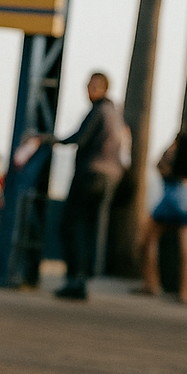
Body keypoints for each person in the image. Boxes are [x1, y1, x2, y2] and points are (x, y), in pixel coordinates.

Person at [50, 72, 126, 300]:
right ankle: (83, 280)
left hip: (91, 174)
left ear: (103, 88)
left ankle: (75, 279)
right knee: (91, 229)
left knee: (71, 226)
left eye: (93, 86)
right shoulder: (115, 114)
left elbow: (79, 139)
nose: (88, 90)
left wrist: (50, 140)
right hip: (110, 177)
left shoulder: (99, 111)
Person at [139, 115, 187, 304]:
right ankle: (186, 293)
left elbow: (160, 164)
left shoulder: (180, 144)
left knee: (146, 240)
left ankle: (152, 284)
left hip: (174, 195)